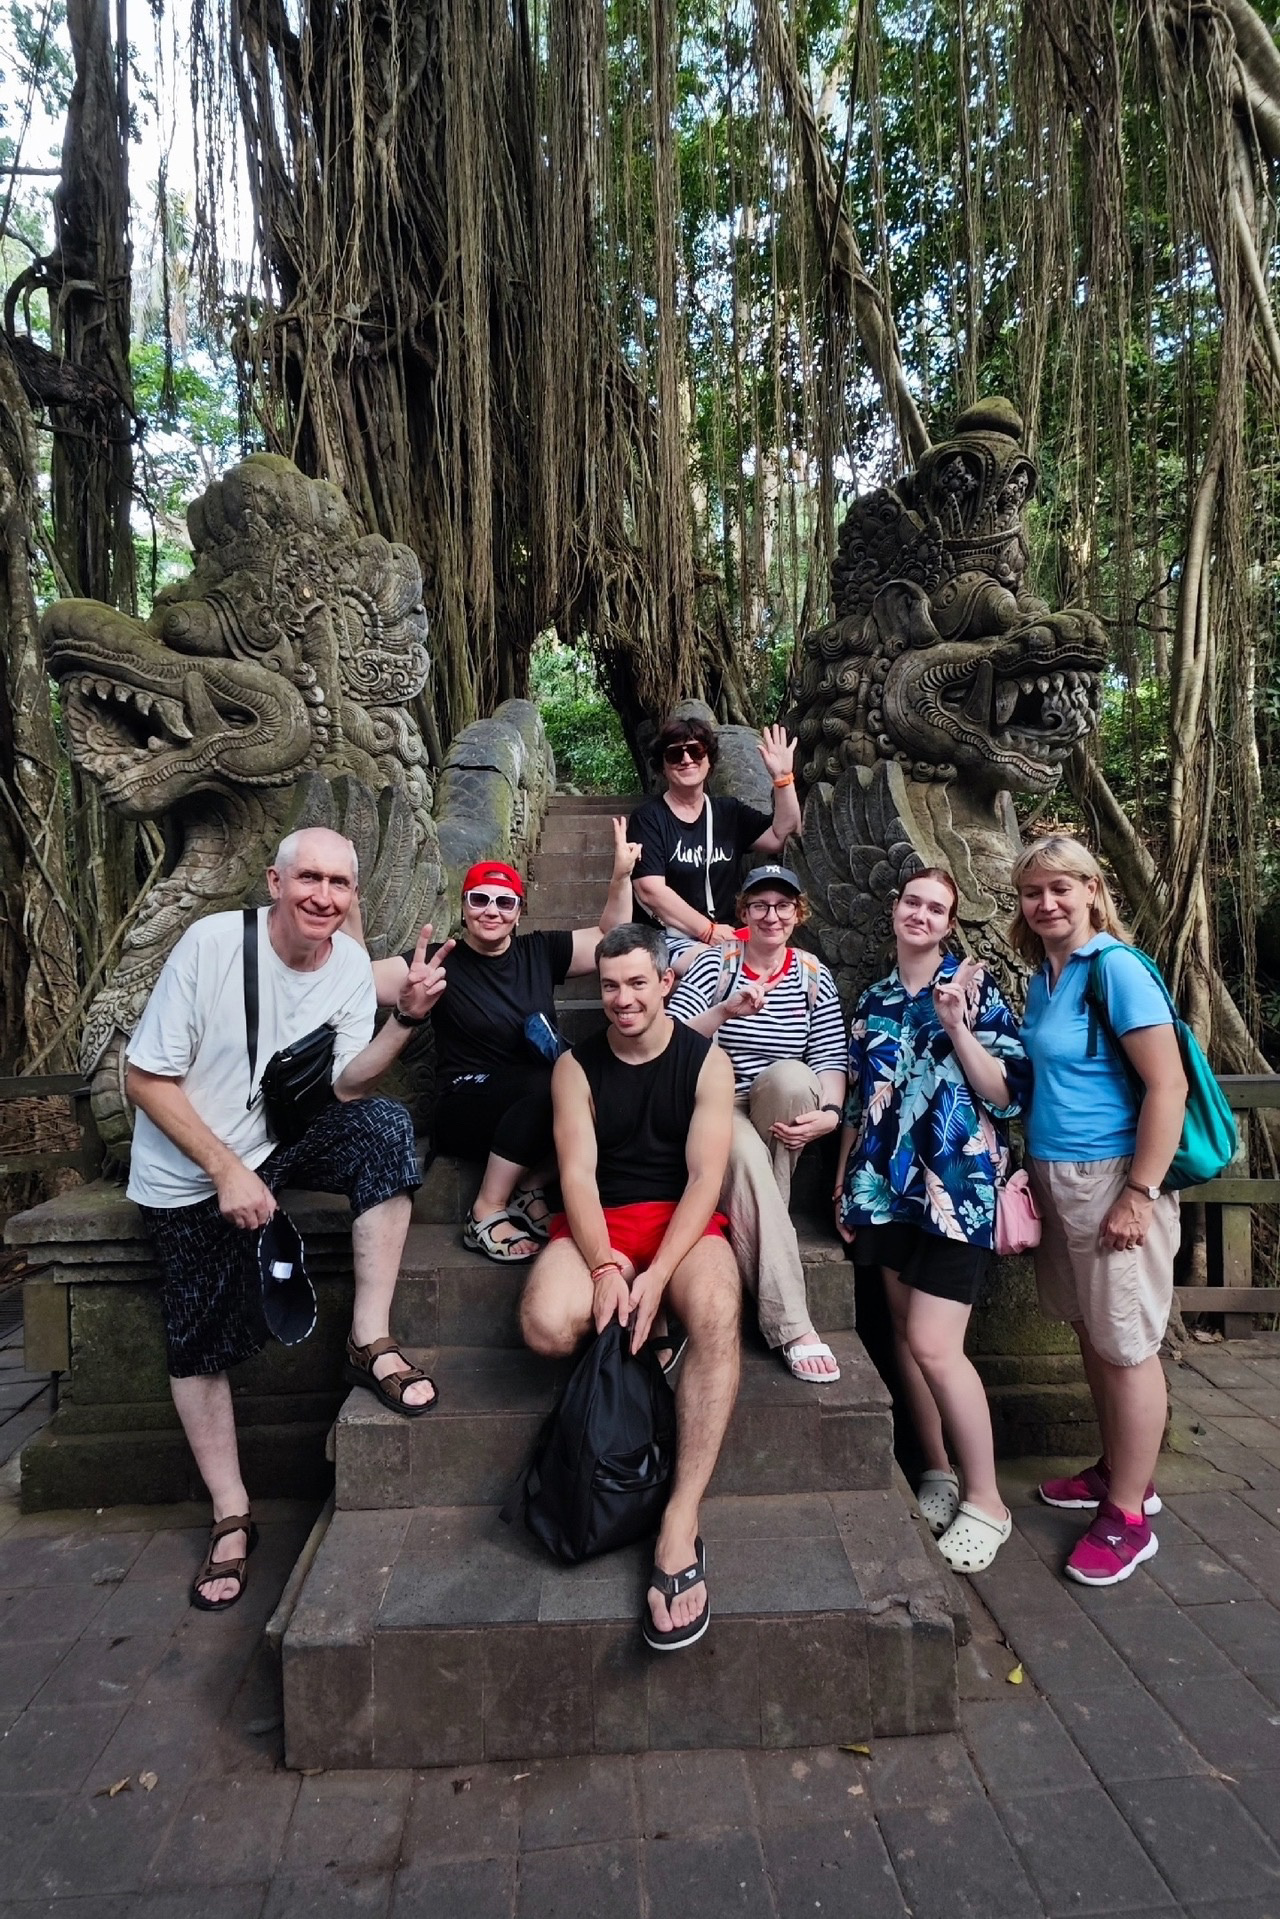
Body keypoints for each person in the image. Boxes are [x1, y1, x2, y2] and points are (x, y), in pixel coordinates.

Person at [126, 827, 443, 1613]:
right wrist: (225, 1169)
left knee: (385, 1129)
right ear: (276, 881)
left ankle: (370, 1337)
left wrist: (404, 1019)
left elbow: (346, 1085)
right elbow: (144, 1078)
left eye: (339, 883)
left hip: (279, 1135)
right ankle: (231, 1511)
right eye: (310, 879)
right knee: (198, 1336)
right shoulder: (213, 946)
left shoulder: (347, 966)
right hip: (189, 1166)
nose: (323, 897)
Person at [519, 923, 740, 1652]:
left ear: (666, 982)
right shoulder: (575, 1068)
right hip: (601, 1224)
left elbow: (706, 1179)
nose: (623, 998)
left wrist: (661, 1273)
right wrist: (607, 1266)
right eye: (610, 985)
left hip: (681, 1221)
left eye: (638, 982)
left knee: (717, 1311)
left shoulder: (706, 1062)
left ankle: (680, 1518)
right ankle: (650, 1338)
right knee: (546, 1325)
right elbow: (576, 1177)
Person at [834, 869, 1030, 1574]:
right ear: (895, 909)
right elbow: (857, 1101)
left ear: (950, 923)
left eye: (936, 908)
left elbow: (1007, 1096)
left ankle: (988, 1502)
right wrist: (843, 1183)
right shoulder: (874, 999)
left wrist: (955, 1024)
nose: (920, 914)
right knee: (903, 1334)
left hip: (956, 1189)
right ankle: (939, 1470)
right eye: (912, 902)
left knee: (935, 1344)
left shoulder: (975, 990)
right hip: (884, 1191)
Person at [1013, 835, 1187, 1587]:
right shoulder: (1046, 976)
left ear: (1091, 888)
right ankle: (1121, 1468)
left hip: (1114, 1175)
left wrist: (1139, 1193)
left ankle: (1129, 1515)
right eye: (1033, 892)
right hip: (1058, 1176)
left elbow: (1168, 1086)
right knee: (1092, 1329)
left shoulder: (1115, 968)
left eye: (1061, 887)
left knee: (1127, 1343)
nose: (1047, 902)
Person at [371, 821, 640, 1263]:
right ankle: (486, 1209)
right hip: (465, 1105)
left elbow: (609, 939)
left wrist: (621, 877)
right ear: (464, 908)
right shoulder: (439, 962)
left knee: (605, 1083)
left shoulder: (540, 951)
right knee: (553, 1081)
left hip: (535, 1105)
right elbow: (355, 981)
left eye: (504, 901)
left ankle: (531, 1184)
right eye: (479, 899)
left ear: (518, 910)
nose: (491, 911)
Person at [668, 862, 847, 1381]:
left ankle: (753, 1222)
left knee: (793, 1078)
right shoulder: (714, 963)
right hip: (717, 1099)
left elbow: (830, 1057)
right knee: (744, 1154)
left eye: (783, 905)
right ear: (743, 912)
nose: (772, 915)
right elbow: (672, 1045)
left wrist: (831, 1114)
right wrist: (725, 1011)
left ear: (798, 913)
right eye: (760, 905)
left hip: (778, 1104)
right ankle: (793, 1326)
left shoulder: (811, 973)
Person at [627, 714, 802, 969]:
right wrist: (707, 930)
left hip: (728, 934)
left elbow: (782, 836)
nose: (686, 759)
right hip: (667, 937)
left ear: (709, 760)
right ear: (662, 766)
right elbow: (650, 890)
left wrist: (783, 778)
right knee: (716, 966)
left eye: (696, 751)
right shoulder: (648, 819)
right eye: (675, 754)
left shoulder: (728, 812)